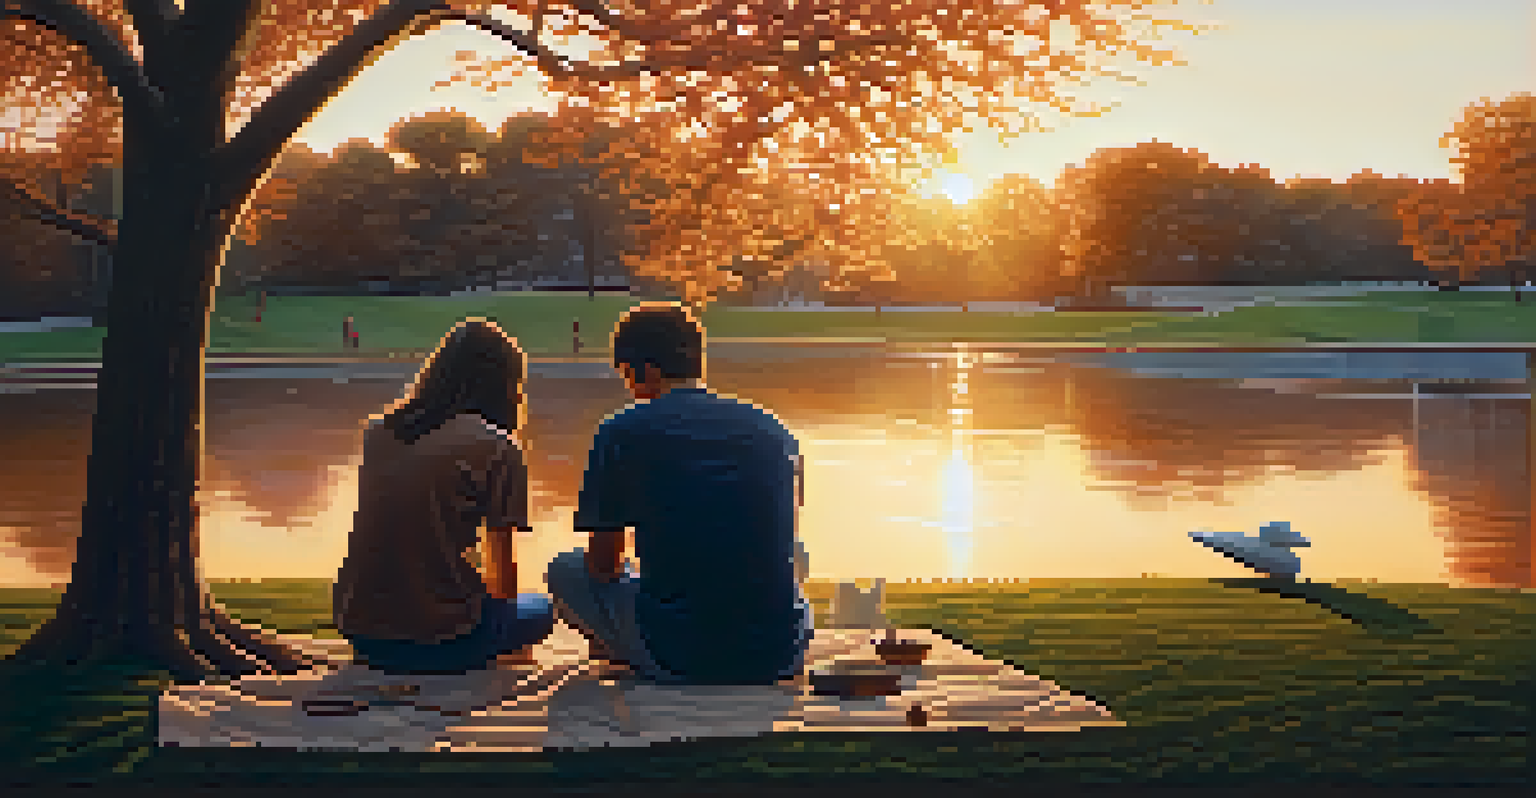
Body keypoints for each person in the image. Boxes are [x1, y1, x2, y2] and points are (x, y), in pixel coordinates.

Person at [546, 301, 812, 685]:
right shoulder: (773, 429)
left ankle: (622, 647)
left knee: (566, 569)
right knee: (796, 552)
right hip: (778, 654)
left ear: (647, 371)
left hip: (680, 654)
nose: (629, 388)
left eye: (627, 376)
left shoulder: (622, 431)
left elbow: (602, 566)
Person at [333, 318, 554, 674]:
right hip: (445, 641)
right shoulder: (496, 447)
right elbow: (504, 575)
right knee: (541, 610)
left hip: (362, 632)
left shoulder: (379, 432)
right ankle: (493, 659)